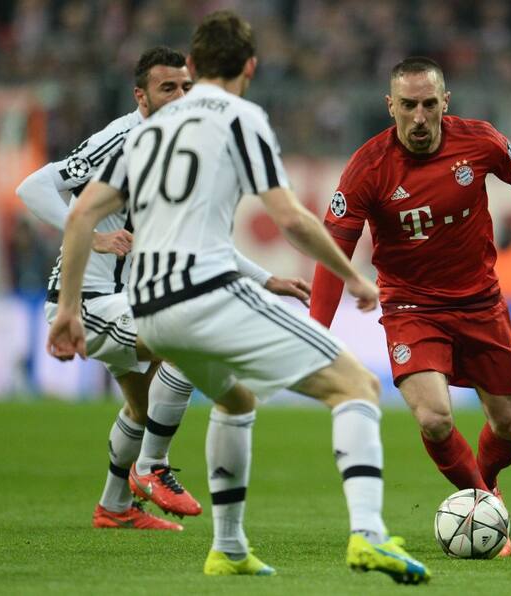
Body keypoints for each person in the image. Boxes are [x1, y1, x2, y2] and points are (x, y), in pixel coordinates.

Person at [46, 11, 430, 584]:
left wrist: (68, 311)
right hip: (206, 296)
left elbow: (80, 215)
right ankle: (369, 536)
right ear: (250, 67)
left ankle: (228, 547)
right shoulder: (241, 117)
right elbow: (290, 219)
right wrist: (350, 275)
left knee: (235, 399)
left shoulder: (147, 132)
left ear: (193, 65)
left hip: (148, 309)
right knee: (357, 386)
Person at [18, 46, 310, 532]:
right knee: (190, 339)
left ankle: (114, 508)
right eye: (166, 88)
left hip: (130, 301)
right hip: (86, 303)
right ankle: (151, 467)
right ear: (142, 96)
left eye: (186, 87)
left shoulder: (179, 149)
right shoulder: (122, 139)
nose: (179, 96)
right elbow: (33, 187)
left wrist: (267, 279)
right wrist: (91, 236)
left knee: (140, 408)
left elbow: (201, 241)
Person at [309, 56, 511, 557]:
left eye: (429, 104)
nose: (419, 117)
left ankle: (485, 483)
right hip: (411, 308)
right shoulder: (368, 168)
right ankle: (484, 502)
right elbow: (333, 253)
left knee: (510, 425)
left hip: (481, 302)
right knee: (435, 418)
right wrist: (313, 333)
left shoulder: (479, 141)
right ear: (390, 105)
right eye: (408, 105)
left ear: (445, 103)